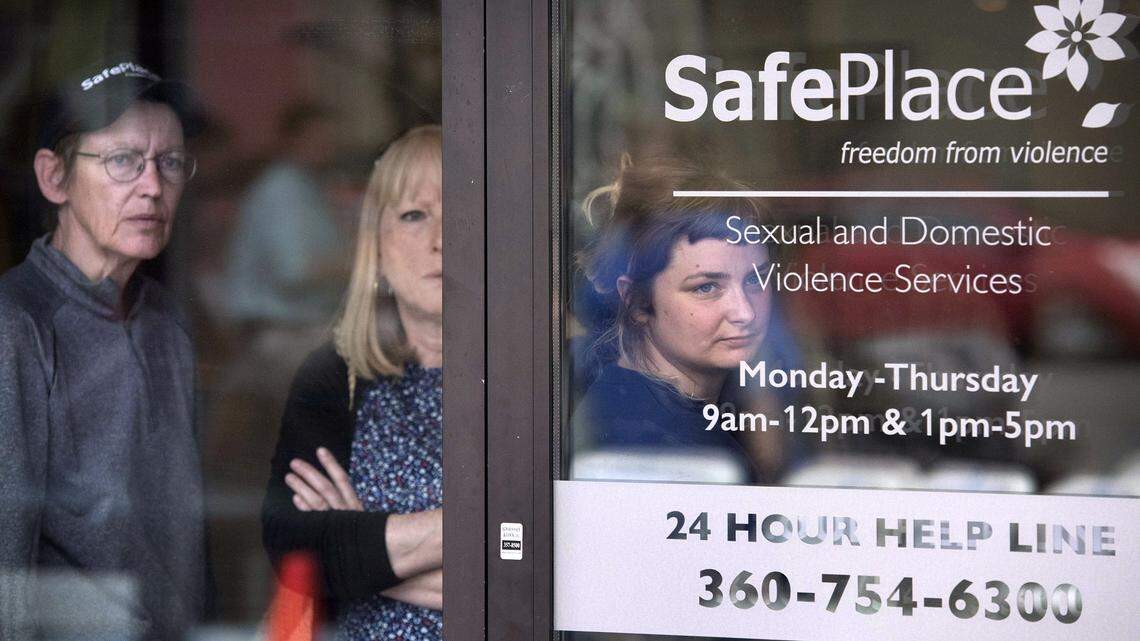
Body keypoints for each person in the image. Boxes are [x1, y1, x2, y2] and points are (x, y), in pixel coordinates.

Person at [0, 59, 206, 640]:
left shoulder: (166, 321)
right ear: (55, 179)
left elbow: (193, 535)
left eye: (170, 162)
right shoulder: (16, 325)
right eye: (123, 161)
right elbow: (6, 570)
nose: (153, 186)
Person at [262, 124, 444, 640]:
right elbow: (296, 549)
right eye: (414, 215)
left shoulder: (547, 374)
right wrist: (480, 534)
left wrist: (361, 546)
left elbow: (554, 558)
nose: (441, 240)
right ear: (377, 248)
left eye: (466, 212)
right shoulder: (332, 376)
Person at [570, 156, 775, 482]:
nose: (744, 312)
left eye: (755, 279)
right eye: (706, 287)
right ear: (637, 300)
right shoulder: (650, 441)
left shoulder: (718, 406)